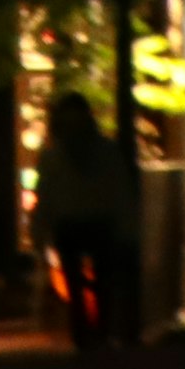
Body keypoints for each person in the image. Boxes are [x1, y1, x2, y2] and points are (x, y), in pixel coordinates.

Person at [34, 93, 132, 351]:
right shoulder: (106, 152)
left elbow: (45, 198)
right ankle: (99, 332)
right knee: (101, 283)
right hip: (94, 223)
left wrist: (40, 233)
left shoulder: (53, 157)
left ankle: (86, 335)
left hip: (75, 225)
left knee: (81, 286)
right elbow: (119, 191)